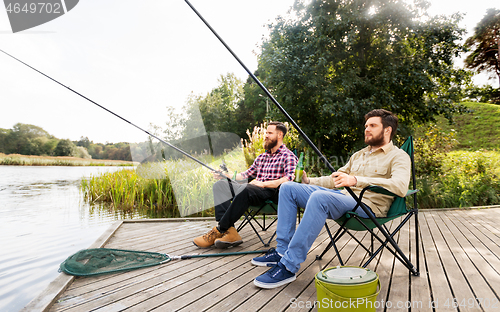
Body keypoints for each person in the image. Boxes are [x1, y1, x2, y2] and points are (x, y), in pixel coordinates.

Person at [251, 109, 411, 289]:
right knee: (289, 187)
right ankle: (281, 252)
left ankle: (289, 266)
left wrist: (357, 180)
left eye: (372, 125)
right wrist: (308, 180)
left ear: (387, 130)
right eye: (366, 126)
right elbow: (336, 179)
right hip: (342, 197)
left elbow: (400, 186)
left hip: (367, 206)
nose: (366, 129)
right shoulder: (359, 155)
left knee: (320, 197)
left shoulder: (399, 156)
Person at [193, 121, 298, 249]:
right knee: (220, 185)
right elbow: (244, 175)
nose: (266, 135)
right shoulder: (262, 157)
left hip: (272, 192)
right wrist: (225, 175)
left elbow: (289, 179)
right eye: (266, 132)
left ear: (280, 135)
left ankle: (219, 230)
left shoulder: (288, 156)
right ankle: (230, 232)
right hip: (253, 190)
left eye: (270, 133)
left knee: (246, 188)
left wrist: (263, 184)